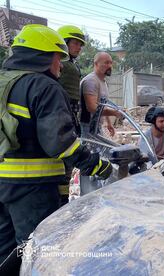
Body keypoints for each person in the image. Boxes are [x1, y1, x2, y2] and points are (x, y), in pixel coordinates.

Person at [0, 24, 112, 274]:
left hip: (2, 184)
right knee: (38, 251)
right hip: (32, 188)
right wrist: (96, 164)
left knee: (7, 250)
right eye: (57, 58)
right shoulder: (43, 86)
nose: (60, 66)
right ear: (43, 56)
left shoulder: (4, 81)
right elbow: (60, 142)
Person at [56, 25, 85, 205]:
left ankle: (62, 200)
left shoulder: (71, 64)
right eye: (76, 43)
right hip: (63, 118)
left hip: (71, 117)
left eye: (80, 45)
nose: (79, 47)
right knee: (63, 167)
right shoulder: (64, 65)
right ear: (64, 43)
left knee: (66, 169)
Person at [80, 52, 122, 137]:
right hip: (86, 126)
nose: (110, 66)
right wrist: (114, 112)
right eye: (106, 63)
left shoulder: (103, 81)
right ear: (96, 64)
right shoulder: (91, 81)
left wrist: (109, 123)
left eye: (111, 63)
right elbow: (92, 108)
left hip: (96, 126)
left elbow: (103, 104)